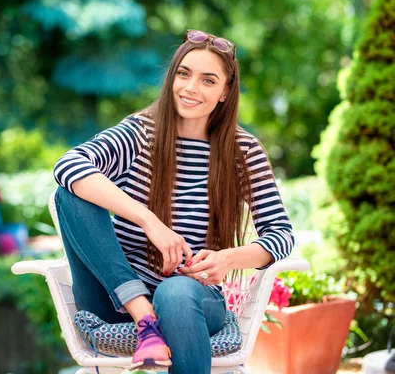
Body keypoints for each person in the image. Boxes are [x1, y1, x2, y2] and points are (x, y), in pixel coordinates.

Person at [52, 29, 294, 374]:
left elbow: (281, 234)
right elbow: (68, 165)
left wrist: (229, 259)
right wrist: (150, 222)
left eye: (208, 80)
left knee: (176, 292)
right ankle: (145, 321)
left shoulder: (243, 152)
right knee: (71, 193)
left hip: (192, 299)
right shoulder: (139, 133)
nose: (191, 88)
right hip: (115, 298)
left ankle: (153, 321)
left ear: (225, 92)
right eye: (184, 74)